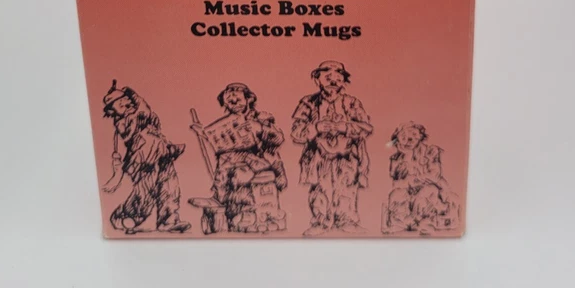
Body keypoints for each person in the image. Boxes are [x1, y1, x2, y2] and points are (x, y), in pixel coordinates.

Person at [191, 82, 287, 232]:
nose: (234, 103)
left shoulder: (261, 118)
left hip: (257, 161)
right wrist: (202, 132)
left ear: (248, 99)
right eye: (230, 102)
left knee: (243, 177)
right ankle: (226, 208)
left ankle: (253, 215)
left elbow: (278, 139)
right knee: (226, 171)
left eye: (238, 100)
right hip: (231, 163)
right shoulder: (226, 123)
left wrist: (261, 129)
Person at [291, 60, 372, 236]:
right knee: (320, 189)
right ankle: (320, 221)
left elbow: (366, 128)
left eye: (338, 78)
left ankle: (347, 220)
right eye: (328, 78)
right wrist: (316, 128)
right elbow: (296, 133)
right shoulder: (308, 102)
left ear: (344, 81)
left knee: (347, 188)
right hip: (318, 156)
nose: (333, 81)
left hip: (347, 156)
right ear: (317, 79)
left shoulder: (352, 103)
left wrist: (345, 127)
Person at [102, 80, 190, 234]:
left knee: (170, 187)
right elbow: (144, 112)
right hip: (144, 159)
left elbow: (152, 118)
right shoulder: (123, 122)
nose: (123, 103)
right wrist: (132, 93)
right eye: (118, 103)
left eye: (124, 99)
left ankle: (169, 220)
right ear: (111, 110)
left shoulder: (141, 115)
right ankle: (126, 216)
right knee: (145, 191)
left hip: (162, 153)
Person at [383, 121, 459, 234]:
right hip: (409, 193)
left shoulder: (431, 151)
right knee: (396, 194)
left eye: (413, 135)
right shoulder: (395, 158)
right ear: (397, 139)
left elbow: (434, 175)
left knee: (428, 191)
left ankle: (425, 221)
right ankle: (403, 223)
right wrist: (408, 157)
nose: (409, 140)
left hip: (432, 191)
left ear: (420, 136)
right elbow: (396, 182)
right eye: (404, 137)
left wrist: (413, 180)